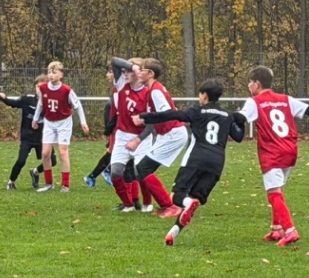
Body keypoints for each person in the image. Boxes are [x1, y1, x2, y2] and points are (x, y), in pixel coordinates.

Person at [139, 81, 246, 245]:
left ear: (205, 95)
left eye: (200, 94)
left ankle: (187, 203)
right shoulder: (227, 115)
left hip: (196, 158)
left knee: (177, 198)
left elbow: (171, 115)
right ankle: (172, 234)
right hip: (217, 163)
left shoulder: (197, 111)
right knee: (194, 201)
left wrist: (144, 117)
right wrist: (241, 121)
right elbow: (238, 137)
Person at [240, 65, 309, 246]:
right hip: (290, 151)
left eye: (250, 82)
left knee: (273, 194)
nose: (249, 85)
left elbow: (240, 118)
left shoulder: (255, 102)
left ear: (257, 84)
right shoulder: (286, 99)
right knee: (278, 189)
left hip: (272, 152)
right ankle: (277, 229)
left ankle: (290, 230)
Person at [127, 58, 185, 216]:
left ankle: (169, 206)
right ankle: (164, 205)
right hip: (167, 134)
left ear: (151, 73)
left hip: (172, 134)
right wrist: (146, 118)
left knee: (143, 168)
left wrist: (144, 118)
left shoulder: (155, 91)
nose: (139, 73)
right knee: (143, 169)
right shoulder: (153, 89)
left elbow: (166, 113)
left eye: (142, 70)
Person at [33, 61, 88, 191]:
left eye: (54, 72)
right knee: (45, 153)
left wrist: (83, 122)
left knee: (63, 152)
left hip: (64, 123)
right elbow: (40, 104)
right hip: (49, 122)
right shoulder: (43, 88)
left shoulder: (67, 90)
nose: (51, 75)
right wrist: (35, 119)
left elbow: (78, 106)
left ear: (61, 75)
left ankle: (65, 184)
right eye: (49, 72)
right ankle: (48, 184)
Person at [86, 56, 137, 193]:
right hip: (119, 127)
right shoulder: (119, 86)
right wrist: (110, 127)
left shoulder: (124, 86)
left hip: (123, 126)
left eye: (110, 72)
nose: (108, 75)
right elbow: (114, 109)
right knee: (114, 152)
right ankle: (97, 174)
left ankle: (101, 174)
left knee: (119, 153)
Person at [0, 79, 47, 188]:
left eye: (43, 87)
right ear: (35, 87)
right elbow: (12, 103)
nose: (40, 89)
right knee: (21, 161)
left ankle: (35, 172)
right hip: (27, 137)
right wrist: (3, 98)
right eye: (38, 86)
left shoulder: (50, 102)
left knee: (52, 161)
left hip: (42, 137)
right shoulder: (27, 100)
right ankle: (11, 182)